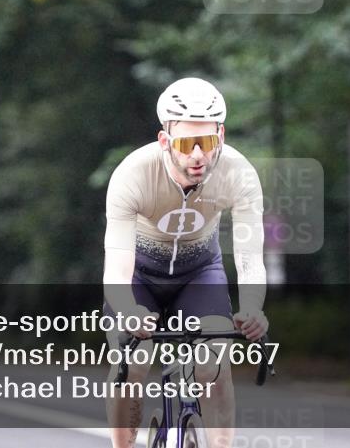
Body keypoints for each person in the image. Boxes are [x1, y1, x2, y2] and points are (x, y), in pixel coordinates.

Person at [103, 77, 269, 448]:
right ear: (165, 141)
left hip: (198, 273)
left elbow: (249, 255)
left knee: (214, 365)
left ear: (221, 136)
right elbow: (116, 264)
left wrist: (254, 308)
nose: (198, 155)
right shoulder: (133, 173)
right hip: (139, 276)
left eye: (207, 142)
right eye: (186, 143)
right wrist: (129, 310)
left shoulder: (239, 174)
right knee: (134, 364)